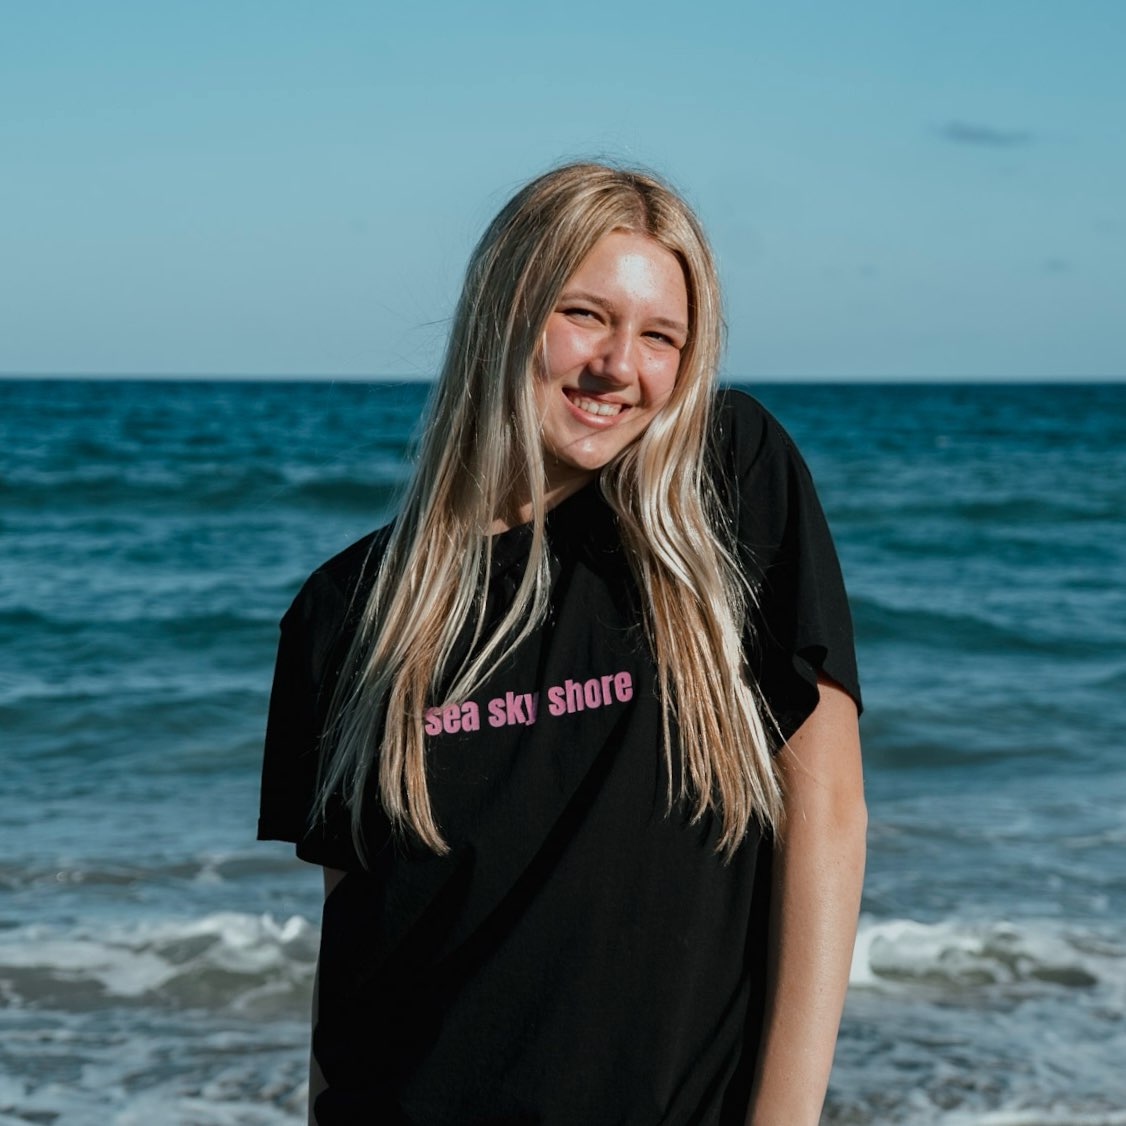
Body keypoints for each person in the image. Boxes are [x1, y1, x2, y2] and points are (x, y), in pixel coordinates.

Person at [258, 161, 866, 1125]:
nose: (620, 364)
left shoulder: (730, 488)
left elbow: (827, 810)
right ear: (506, 311)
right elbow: (355, 947)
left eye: (660, 335)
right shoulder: (346, 610)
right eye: (585, 315)